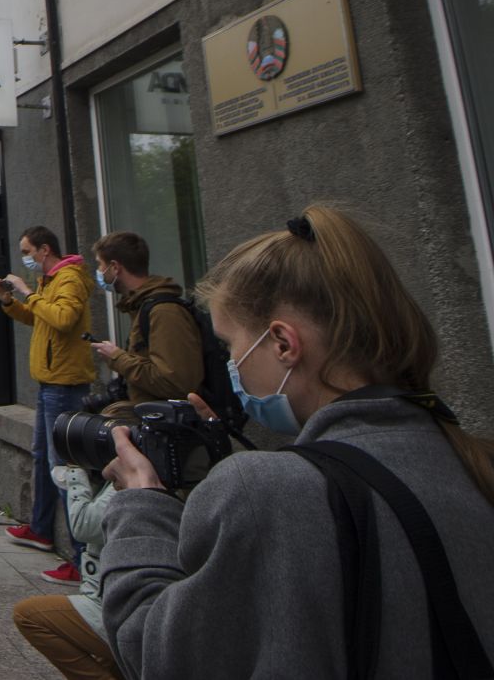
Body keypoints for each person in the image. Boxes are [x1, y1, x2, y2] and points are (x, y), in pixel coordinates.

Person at [102, 206, 494, 676]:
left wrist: (142, 505)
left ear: (284, 344)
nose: (231, 366)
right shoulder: (469, 459)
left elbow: (154, 655)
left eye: (230, 346)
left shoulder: (263, 489)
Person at [0, 224, 95, 583]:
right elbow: (41, 320)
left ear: (45, 250)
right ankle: (40, 528)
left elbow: (65, 320)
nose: (26, 258)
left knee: (64, 466)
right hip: (48, 383)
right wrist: (11, 303)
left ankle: (82, 558)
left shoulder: (68, 279)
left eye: (28, 251)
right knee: (42, 456)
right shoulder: (48, 282)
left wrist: (27, 293)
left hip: (64, 385)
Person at [11, 466, 121, 680]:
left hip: (126, 611)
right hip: (134, 605)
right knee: (108, 663)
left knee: (28, 615)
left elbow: (85, 525)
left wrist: (76, 473)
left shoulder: (140, 472)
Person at [87, 231, 202, 409]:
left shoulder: (164, 312)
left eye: (100, 265)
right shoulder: (140, 307)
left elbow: (176, 384)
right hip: (155, 422)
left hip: (172, 428)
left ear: (115, 267)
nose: (99, 272)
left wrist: (118, 358)